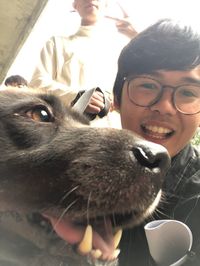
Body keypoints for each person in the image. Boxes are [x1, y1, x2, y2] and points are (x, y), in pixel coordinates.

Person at [113, 19, 200, 266]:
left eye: (187, 93)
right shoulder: (77, 168)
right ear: (117, 97)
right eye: (148, 85)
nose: (164, 106)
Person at [29, 0, 137, 120]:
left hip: (111, 131)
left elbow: (145, 87)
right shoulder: (57, 43)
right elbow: (36, 84)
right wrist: (77, 96)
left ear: (106, 4)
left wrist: (137, 36)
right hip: (64, 129)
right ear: (75, 5)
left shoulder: (123, 47)